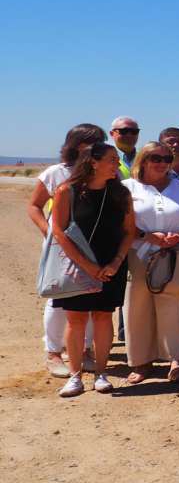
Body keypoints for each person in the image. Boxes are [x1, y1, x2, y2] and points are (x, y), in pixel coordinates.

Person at [48, 143, 135, 396]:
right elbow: (59, 231)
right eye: (111, 159)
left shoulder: (121, 194)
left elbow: (130, 231)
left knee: (102, 316)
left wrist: (117, 261)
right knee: (75, 319)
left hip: (111, 264)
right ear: (93, 162)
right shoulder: (67, 191)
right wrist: (86, 265)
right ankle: (75, 377)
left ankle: (101, 373)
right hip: (76, 265)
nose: (116, 164)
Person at [123, 141, 179, 385]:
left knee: (173, 306)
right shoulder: (127, 188)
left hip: (173, 255)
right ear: (143, 160)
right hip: (137, 255)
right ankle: (141, 362)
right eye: (155, 158)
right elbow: (119, 223)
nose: (161, 163)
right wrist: (146, 236)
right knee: (137, 307)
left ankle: (175, 361)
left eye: (166, 159)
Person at [27, 123, 105, 377]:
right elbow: (35, 206)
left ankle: (83, 351)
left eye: (98, 142)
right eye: (89, 142)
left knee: (91, 296)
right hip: (60, 249)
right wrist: (48, 231)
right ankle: (53, 352)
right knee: (60, 297)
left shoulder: (102, 171)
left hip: (93, 246)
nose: (93, 148)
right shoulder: (55, 173)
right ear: (75, 144)